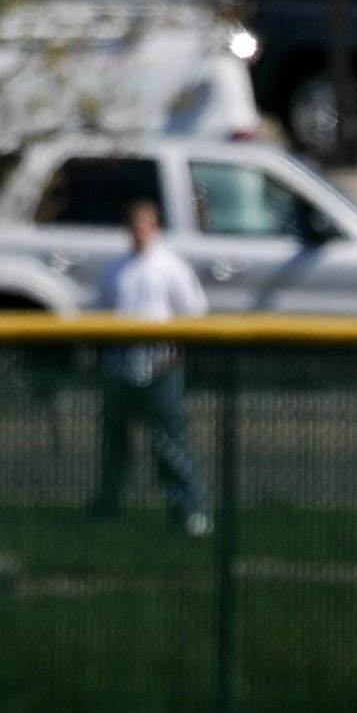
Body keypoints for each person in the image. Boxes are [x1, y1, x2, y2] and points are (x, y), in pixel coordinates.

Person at [90, 199, 211, 537]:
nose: (139, 231)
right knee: (115, 444)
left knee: (170, 444)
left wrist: (177, 356)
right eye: (134, 225)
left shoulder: (172, 267)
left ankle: (190, 510)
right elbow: (99, 315)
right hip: (120, 367)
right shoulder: (116, 268)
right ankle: (107, 506)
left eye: (145, 225)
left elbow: (193, 315)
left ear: (155, 228)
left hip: (161, 367)